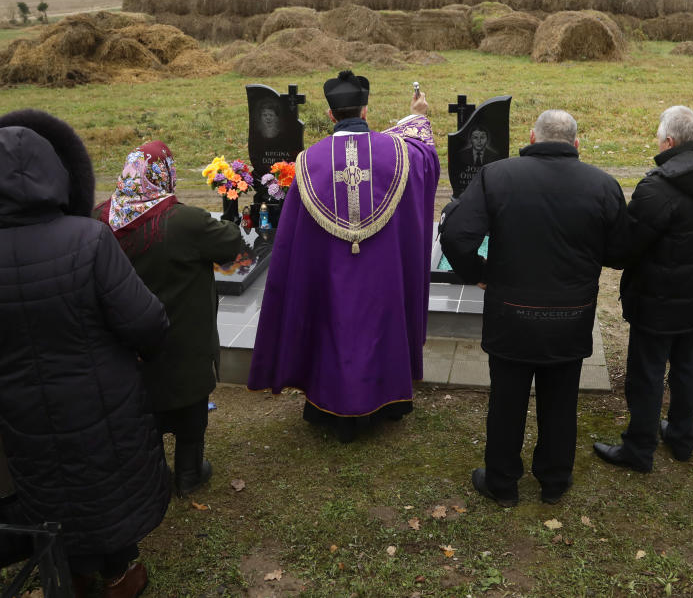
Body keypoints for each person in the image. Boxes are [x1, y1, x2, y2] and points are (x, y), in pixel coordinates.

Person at [0, 110, 170, 596]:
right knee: (103, 483)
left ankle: (70, 570)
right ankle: (121, 575)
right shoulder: (89, 239)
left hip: (20, 410)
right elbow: (146, 321)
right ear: (57, 172)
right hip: (101, 400)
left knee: (50, 484)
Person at [440, 109, 630, 506]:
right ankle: (554, 480)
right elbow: (619, 252)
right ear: (576, 144)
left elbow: (456, 234)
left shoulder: (498, 176)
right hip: (571, 314)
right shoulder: (603, 184)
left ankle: (502, 483)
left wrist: (479, 272)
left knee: (506, 401)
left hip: (512, 312)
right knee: (561, 401)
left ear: (532, 137)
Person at [248, 70, 439, 442]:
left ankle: (327, 404)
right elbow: (425, 155)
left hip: (330, 274)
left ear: (332, 115)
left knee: (333, 326)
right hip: (383, 273)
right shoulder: (398, 153)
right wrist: (418, 114)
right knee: (379, 324)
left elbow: (291, 241)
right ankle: (389, 401)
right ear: (365, 110)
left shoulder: (308, 162)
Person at [94, 141, 243, 498]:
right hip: (182, 340)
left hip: (127, 344)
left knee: (143, 412)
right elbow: (229, 243)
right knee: (191, 410)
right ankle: (189, 474)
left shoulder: (99, 218)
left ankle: (153, 475)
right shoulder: (182, 221)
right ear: (165, 174)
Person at [592, 106, 693, 472]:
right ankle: (683, 436)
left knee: (647, 372)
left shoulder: (659, 187)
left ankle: (639, 448)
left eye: (658, 138)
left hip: (656, 298)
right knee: (687, 364)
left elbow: (625, 248)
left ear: (670, 141)